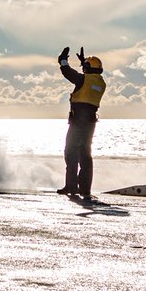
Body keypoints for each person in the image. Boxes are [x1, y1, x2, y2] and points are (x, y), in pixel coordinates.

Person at [57, 46, 107, 199]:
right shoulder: (101, 83)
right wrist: (84, 62)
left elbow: (68, 72)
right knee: (85, 155)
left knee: (71, 152)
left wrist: (63, 60)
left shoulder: (82, 79)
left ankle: (71, 186)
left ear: (87, 68)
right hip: (90, 123)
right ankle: (85, 189)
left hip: (78, 121)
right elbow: (89, 75)